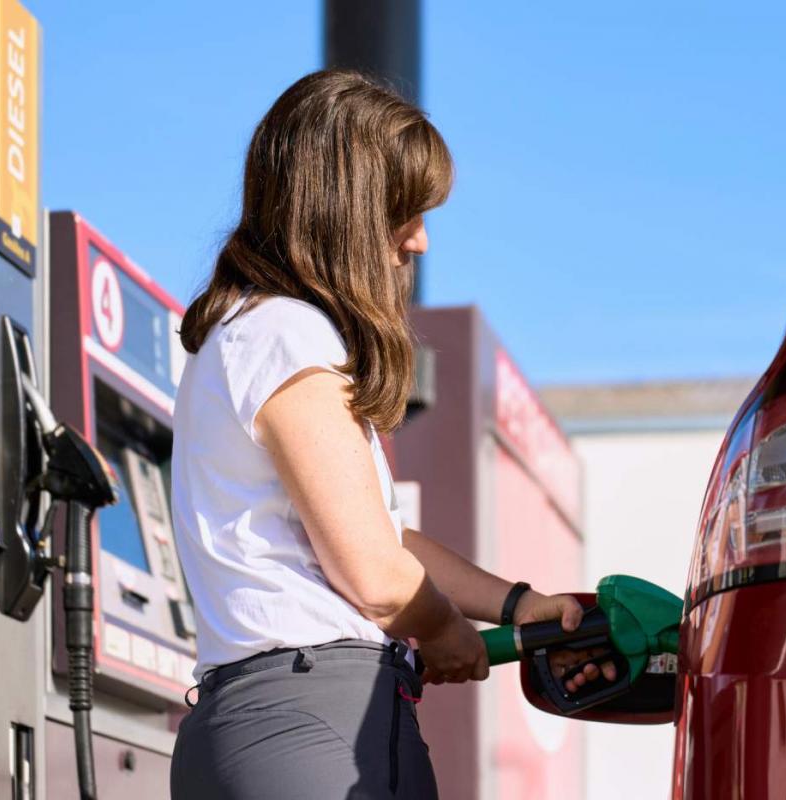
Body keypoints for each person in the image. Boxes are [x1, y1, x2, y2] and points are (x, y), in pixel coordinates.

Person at [168, 70, 613, 799]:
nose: (420, 240)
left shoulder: (241, 336)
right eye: (402, 212)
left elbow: (374, 536)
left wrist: (514, 605)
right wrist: (443, 631)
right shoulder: (289, 334)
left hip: (253, 724)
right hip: (319, 726)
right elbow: (375, 574)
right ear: (343, 210)